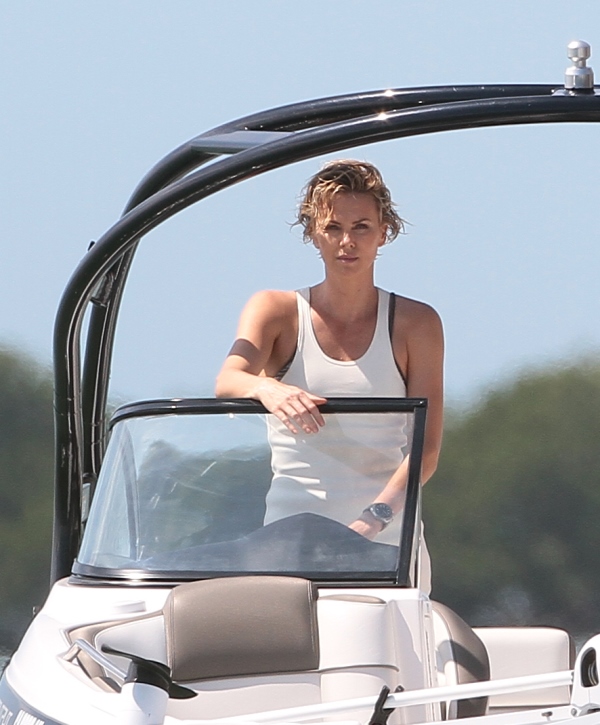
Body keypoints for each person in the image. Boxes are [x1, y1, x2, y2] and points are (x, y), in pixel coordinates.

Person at [215, 160, 444, 591]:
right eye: (333, 227)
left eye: (361, 227)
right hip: (289, 540)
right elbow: (228, 379)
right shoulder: (276, 310)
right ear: (312, 233)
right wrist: (267, 388)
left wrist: (372, 521)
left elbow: (426, 450)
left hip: (387, 543)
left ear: (384, 233)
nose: (347, 241)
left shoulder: (416, 323)